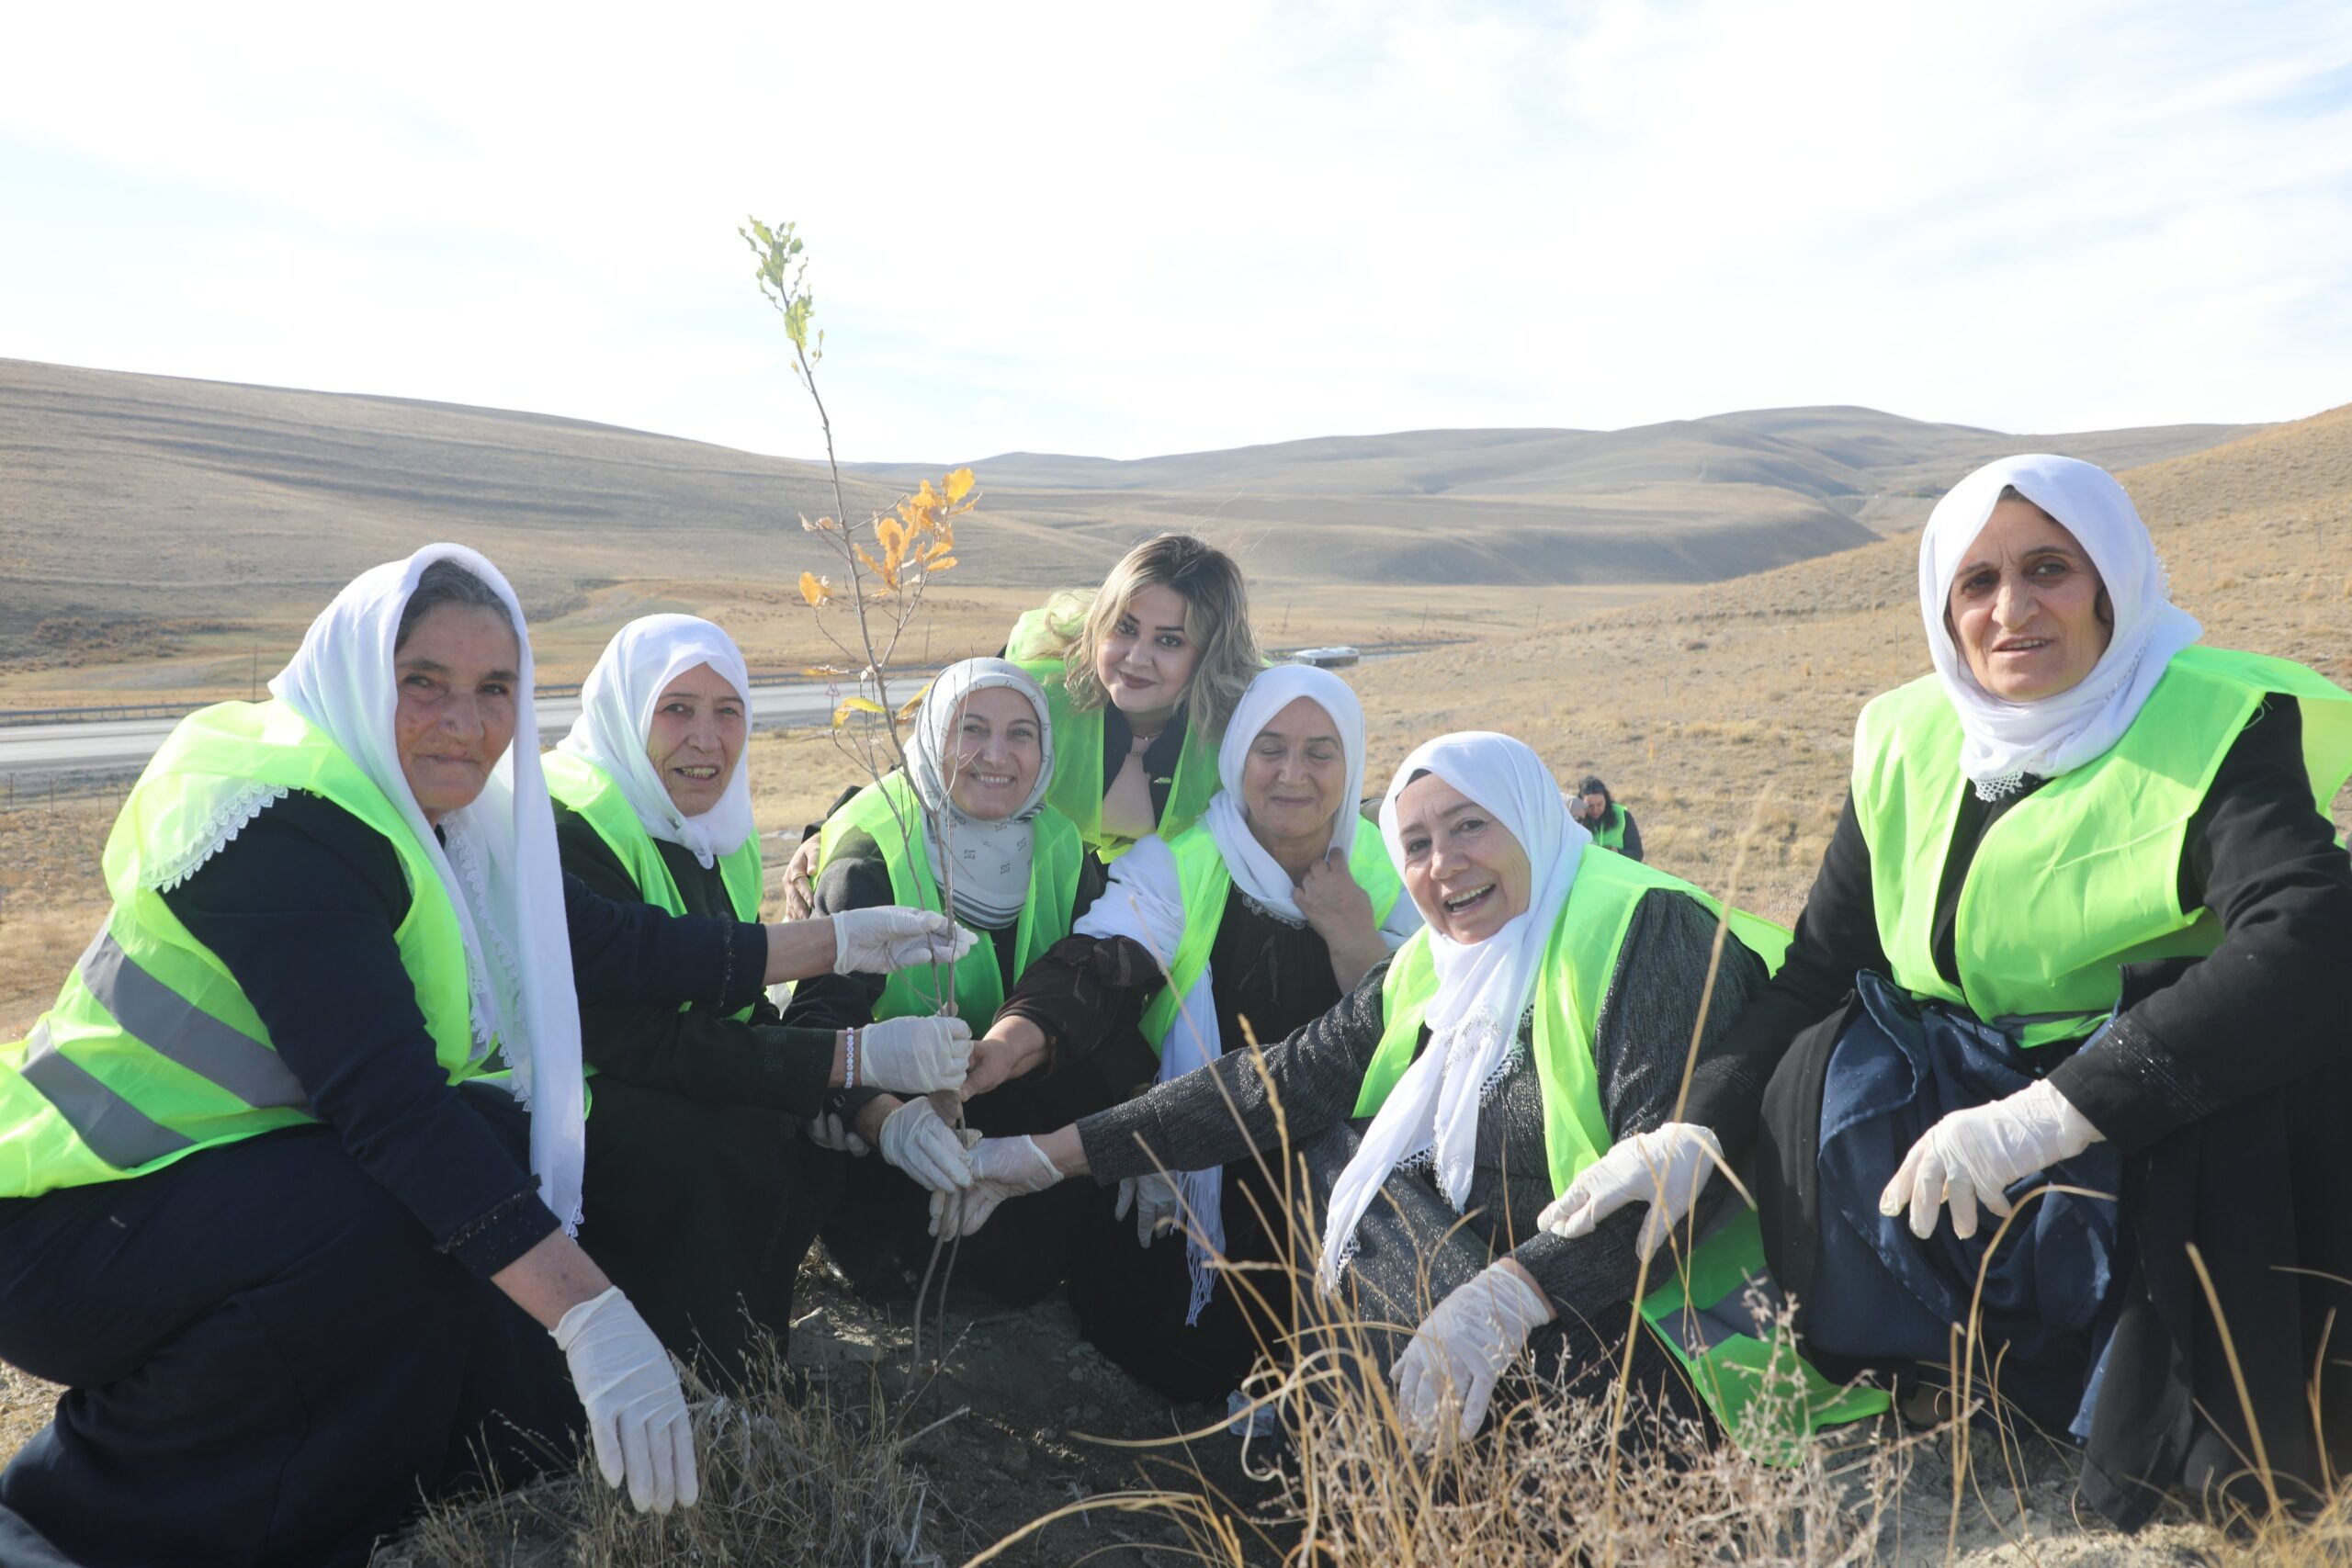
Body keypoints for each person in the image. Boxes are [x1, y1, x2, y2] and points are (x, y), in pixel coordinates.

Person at [0, 547, 968, 1568]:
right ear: (360, 675)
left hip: (209, 1187)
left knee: (486, 1152)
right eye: (423, 682)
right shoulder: (282, 821)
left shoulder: (447, 819)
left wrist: (840, 943)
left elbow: (608, 942)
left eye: (493, 689)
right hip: (63, 1229)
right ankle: (81, 1511)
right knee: (401, 1205)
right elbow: (393, 1110)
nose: (463, 721)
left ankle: (425, 1466)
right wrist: (592, 1316)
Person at [1724, 456, 2352, 1528]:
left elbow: (2312, 931)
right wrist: (1694, 1125)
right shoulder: (1906, 736)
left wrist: (2055, 1112)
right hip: (1963, 1088)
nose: (2010, 610)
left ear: (2109, 584)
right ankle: (1960, 1369)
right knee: (1821, 1062)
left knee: (2263, 1088)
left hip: (2136, 1099)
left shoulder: (2217, 721)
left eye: (2048, 568)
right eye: (1976, 582)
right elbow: (1819, 969)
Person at [939, 732, 1879, 1446]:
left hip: (1683, 1340)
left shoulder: (1640, 929)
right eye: (1417, 843)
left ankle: (1424, 1440)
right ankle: (1389, 1429)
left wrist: (1504, 1301)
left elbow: (1672, 1192)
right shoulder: (1439, 964)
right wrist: (1041, 1159)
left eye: (1471, 826)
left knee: (1356, 1169)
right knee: (1333, 1139)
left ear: (1534, 821)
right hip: (1531, 1312)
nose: (1442, 866)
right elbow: (1277, 1082)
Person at [961, 665, 1421, 1402]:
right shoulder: (1185, 859)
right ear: (1237, 754)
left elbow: (1422, 1047)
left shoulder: (1395, 872)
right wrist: (1012, 1042)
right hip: (1186, 1150)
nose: (1291, 774)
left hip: (1337, 1169)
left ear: (1354, 761)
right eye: (1270, 747)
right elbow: (1099, 961)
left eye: (1319, 752)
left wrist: (1357, 945)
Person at [544, 615, 975, 1386]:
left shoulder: (719, 830)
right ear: (625, 709)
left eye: (728, 710)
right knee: (701, 1142)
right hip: (571, 1096)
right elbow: (630, 1037)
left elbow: (739, 1010)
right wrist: (846, 1056)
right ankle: (679, 1379)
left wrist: (866, 1103)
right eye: (676, 709)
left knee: (802, 1128)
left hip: (659, 1064)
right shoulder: (571, 824)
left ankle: (747, 1361)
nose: (707, 739)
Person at [788, 659, 1098, 1303]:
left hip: (1005, 1089)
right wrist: (885, 1120)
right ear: (932, 739)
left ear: (1044, 749)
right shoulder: (875, 849)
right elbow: (814, 1024)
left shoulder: (1062, 842)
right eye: (972, 728)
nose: (996, 754)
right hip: (891, 1122)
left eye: (1020, 733)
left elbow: (1094, 992)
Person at [778, 533, 1262, 911]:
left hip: (1164, 923)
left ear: (1210, 654)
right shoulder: (1037, 688)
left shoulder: (1246, 733)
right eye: (1125, 628)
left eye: (1170, 641)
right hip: (1030, 901)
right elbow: (933, 760)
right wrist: (828, 828)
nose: (1136, 658)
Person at [1573, 774, 1643, 862]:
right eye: (1590, 806)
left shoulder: (1622, 815)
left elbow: (1637, 854)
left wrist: (1617, 852)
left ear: (1606, 799)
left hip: (1616, 873)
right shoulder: (1573, 821)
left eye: (1599, 804)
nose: (1595, 810)